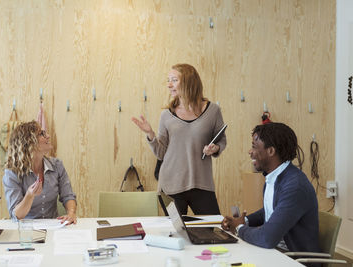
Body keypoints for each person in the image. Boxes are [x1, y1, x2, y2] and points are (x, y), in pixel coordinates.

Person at [132, 63, 226, 215]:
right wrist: (150, 134)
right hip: (171, 185)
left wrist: (215, 148)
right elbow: (161, 153)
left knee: (211, 231)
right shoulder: (167, 115)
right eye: (168, 80)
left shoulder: (213, 111)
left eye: (174, 80)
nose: (169, 85)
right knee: (177, 234)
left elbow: (221, 140)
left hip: (202, 183)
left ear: (189, 81)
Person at [221, 123, 320, 255]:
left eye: (254, 147)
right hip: (274, 252)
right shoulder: (274, 177)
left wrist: (239, 228)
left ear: (271, 151)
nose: (250, 152)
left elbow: (267, 238)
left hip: (292, 259)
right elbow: (271, 210)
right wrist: (245, 221)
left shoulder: (295, 186)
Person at [3, 121, 77, 224]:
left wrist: (71, 213)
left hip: (53, 227)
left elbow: (68, 196)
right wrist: (29, 195)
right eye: (42, 134)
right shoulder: (12, 173)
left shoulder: (57, 165)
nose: (48, 136)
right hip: (26, 231)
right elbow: (16, 215)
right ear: (29, 142)